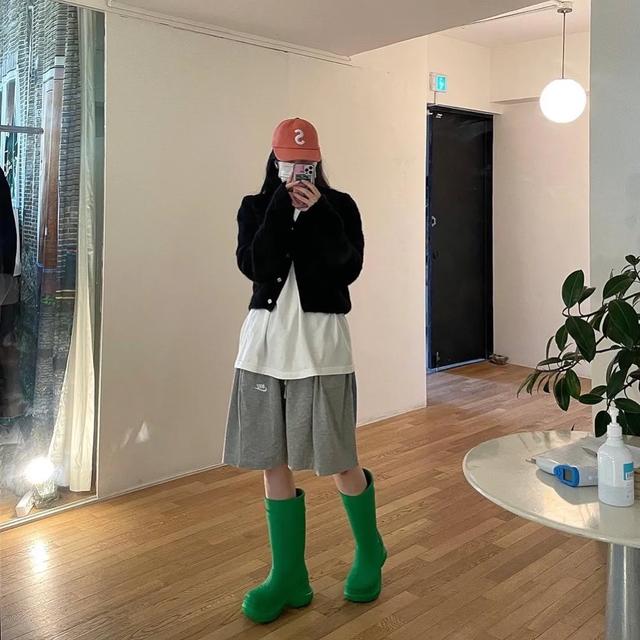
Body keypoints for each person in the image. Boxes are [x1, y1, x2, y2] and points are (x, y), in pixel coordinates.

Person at [223, 118, 386, 623]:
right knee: (271, 458)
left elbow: (347, 267)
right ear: (275, 161)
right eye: (290, 162)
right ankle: (289, 574)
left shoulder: (341, 207)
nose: (299, 171)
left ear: (318, 161)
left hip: (322, 348)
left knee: (338, 457)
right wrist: (279, 207)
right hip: (264, 347)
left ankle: (370, 550)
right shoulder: (255, 207)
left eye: (307, 162)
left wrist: (319, 215)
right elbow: (255, 266)